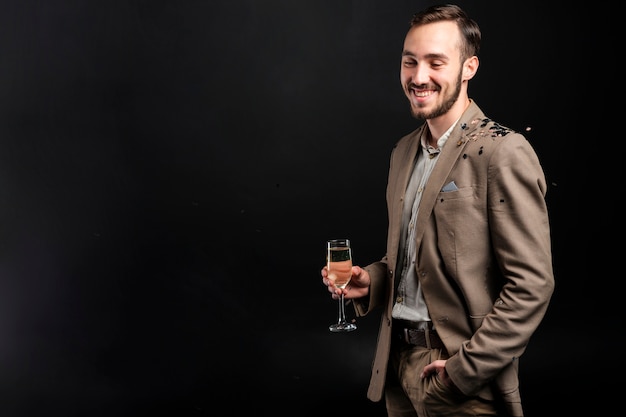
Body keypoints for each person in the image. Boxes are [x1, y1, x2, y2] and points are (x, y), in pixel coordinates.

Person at [321, 4, 554, 417]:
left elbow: (532, 285)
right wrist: (371, 282)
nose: (418, 76)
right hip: (396, 368)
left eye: (435, 62)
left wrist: (464, 371)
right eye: (410, 62)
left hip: (458, 378)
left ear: (469, 67)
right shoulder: (403, 151)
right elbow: (411, 263)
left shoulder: (502, 150)